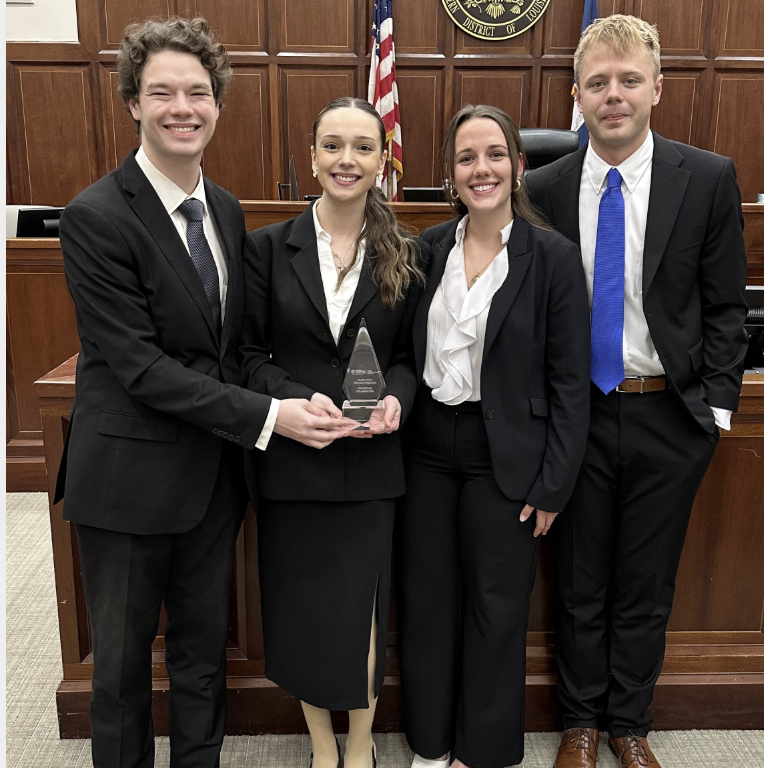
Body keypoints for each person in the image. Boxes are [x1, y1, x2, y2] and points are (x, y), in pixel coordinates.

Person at [56, 17, 346, 768]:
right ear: (132, 103)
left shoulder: (223, 209)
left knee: (200, 655)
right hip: (125, 485)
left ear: (217, 102)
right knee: (120, 673)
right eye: (161, 93)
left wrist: (296, 395)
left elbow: (234, 348)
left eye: (197, 92)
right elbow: (141, 369)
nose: (181, 107)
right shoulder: (95, 217)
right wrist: (269, 415)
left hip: (213, 479)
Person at [525, 15, 748, 768]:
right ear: (577, 94)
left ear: (657, 87)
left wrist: (712, 412)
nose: (613, 95)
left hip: (668, 414)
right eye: (598, 83)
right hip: (578, 414)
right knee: (580, 581)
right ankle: (580, 724)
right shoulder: (542, 187)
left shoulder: (708, 177)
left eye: (628, 81)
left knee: (646, 584)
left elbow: (725, 308)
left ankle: (630, 725)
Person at [396, 104, 591, 768]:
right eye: (466, 158)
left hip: (503, 456)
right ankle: (430, 743)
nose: (482, 169)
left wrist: (555, 483)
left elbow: (570, 381)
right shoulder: (425, 250)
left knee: (495, 608)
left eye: (494, 155)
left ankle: (480, 752)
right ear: (449, 175)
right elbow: (398, 353)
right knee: (426, 602)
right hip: (425, 448)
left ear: (518, 165)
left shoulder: (554, 259)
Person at [240, 97, 426, 768]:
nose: (348, 159)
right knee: (304, 615)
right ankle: (322, 746)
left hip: (373, 466)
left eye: (363, 147)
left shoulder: (405, 252)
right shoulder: (264, 248)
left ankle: (358, 745)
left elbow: (407, 359)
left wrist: (398, 400)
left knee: (364, 613)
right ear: (313, 157)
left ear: (383, 159)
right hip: (294, 460)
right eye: (333, 146)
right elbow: (249, 358)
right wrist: (296, 398)